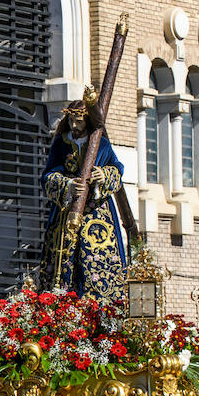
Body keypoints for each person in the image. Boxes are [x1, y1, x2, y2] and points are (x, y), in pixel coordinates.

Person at [39, 95, 129, 302]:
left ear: (87, 120)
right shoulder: (60, 145)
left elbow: (117, 168)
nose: (73, 124)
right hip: (67, 210)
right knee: (64, 255)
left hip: (96, 212)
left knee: (95, 258)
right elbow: (48, 175)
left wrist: (103, 175)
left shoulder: (101, 144)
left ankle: (103, 302)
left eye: (78, 120)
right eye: (71, 120)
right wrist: (68, 184)